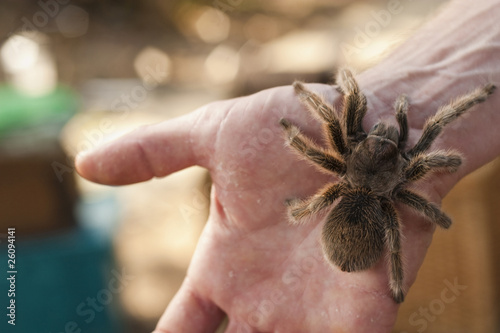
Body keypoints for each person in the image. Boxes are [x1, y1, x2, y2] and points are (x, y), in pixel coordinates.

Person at [75, 0, 500, 331]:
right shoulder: (402, 181)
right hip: (363, 219)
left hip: (354, 214)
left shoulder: (341, 172)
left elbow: (335, 121)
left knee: (382, 174)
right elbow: (433, 152)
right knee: (399, 206)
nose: (380, 139)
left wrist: (310, 123)